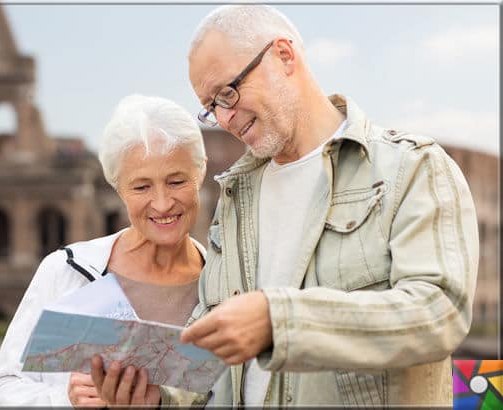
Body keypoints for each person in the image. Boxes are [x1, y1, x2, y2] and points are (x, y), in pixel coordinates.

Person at [93, 5, 479, 407]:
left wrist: (281, 321)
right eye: (211, 107)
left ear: (284, 55)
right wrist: (158, 396)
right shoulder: (236, 197)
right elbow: (210, 342)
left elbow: (439, 313)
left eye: (228, 93)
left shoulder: (412, 168)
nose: (224, 118)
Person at [0, 94, 208, 407]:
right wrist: (66, 400)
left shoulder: (224, 283)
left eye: (177, 181)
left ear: (201, 173)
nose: (163, 203)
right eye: (141, 187)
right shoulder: (66, 271)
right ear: (118, 188)